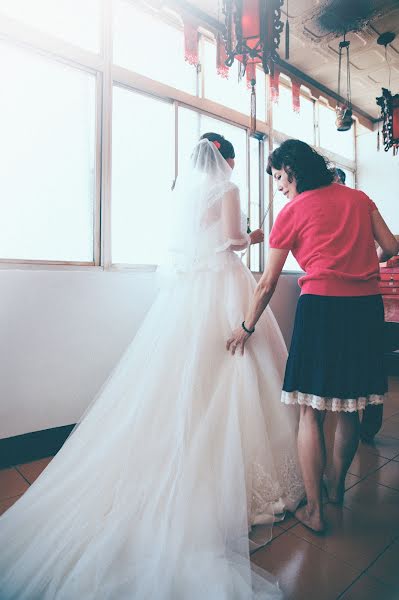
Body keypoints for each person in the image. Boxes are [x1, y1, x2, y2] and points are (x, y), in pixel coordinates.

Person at [0, 134, 304, 599]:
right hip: (224, 285)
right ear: (225, 160)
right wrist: (256, 236)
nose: (232, 166)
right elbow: (233, 242)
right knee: (239, 367)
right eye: (233, 159)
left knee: (188, 373)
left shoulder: (188, 191)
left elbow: (196, 244)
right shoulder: (227, 190)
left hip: (189, 294)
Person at [227, 139, 399, 533]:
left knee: (311, 410)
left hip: (321, 308)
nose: (278, 186)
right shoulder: (359, 199)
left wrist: (246, 326)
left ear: (292, 169)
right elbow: (390, 247)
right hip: (365, 309)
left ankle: (316, 511)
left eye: (278, 177)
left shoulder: (291, 212)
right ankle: (337, 490)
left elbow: (267, 283)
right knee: (351, 404)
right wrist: (362, 262)